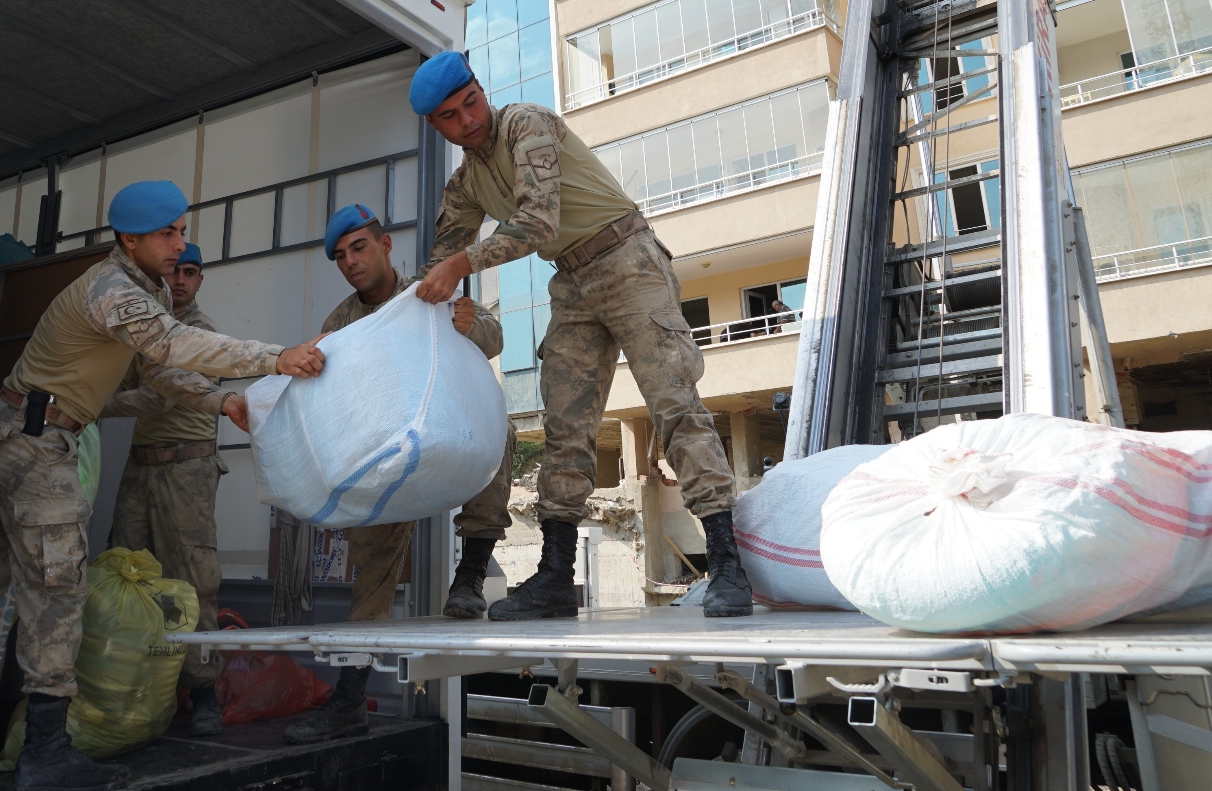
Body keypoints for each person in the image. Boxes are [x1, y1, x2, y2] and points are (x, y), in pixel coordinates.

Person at [0, 181, 327, 789]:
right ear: (130, 239)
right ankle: (45, 752)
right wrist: (275, 356)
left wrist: (224, 400)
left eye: (182, 230)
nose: (180, 244)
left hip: (12, 431)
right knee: (58, 587)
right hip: (35, 441)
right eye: (168, 234)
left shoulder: (141, 286)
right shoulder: (110, 289)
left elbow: (162, 373)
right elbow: (176, 343)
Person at [409, 52, 754, 620]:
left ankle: (725, 562)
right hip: (570, 279)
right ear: (437, 126)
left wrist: (461, 263)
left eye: (471, 101)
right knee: (564, 428)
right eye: (451, 115)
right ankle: (554, 577)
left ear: (480, 89)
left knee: (673, 404)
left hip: (627, 259)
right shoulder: (466, 183)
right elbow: (442, 258)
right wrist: (423, 295)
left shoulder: (527, 124)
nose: (468, 119)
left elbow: (537, 223)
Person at [283, 203, 515, 745]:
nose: (351, 261)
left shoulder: (428, 291)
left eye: (359, 247)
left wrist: (470, 322)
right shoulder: (340, 323)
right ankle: (349, 700)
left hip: (444, 425)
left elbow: (494, 339)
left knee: (497, 436)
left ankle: (471, 576)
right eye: (340, 256)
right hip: (390, 454)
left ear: (385, 246)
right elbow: (329, 397)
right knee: (372, 574)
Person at [97, 242, 246, 738]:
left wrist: (91, 402)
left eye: (192, 273)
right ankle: (131, 683)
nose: (181, 280)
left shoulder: (197, 333)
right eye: (175, 271)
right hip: (142, 466)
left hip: (187, 468)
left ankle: (202, 691)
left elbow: (160, 400)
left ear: (200, 280)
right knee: (126, 571)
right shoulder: (149, 328)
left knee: (191, 580)